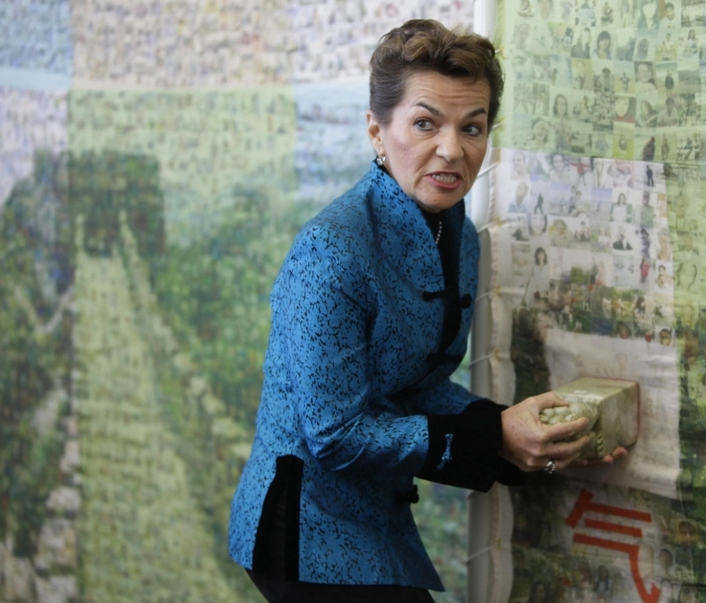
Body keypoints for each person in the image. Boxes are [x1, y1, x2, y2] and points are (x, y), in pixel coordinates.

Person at [227, 20, 626, 602]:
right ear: (377, 130)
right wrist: (495, 436)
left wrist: (535, 437)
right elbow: (335, 435)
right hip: (304, 530)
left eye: (472, 127)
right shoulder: (330, 250)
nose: (452, 149)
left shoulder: (457, 233)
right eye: (424, 123)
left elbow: (418, 388)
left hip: (375, 517)